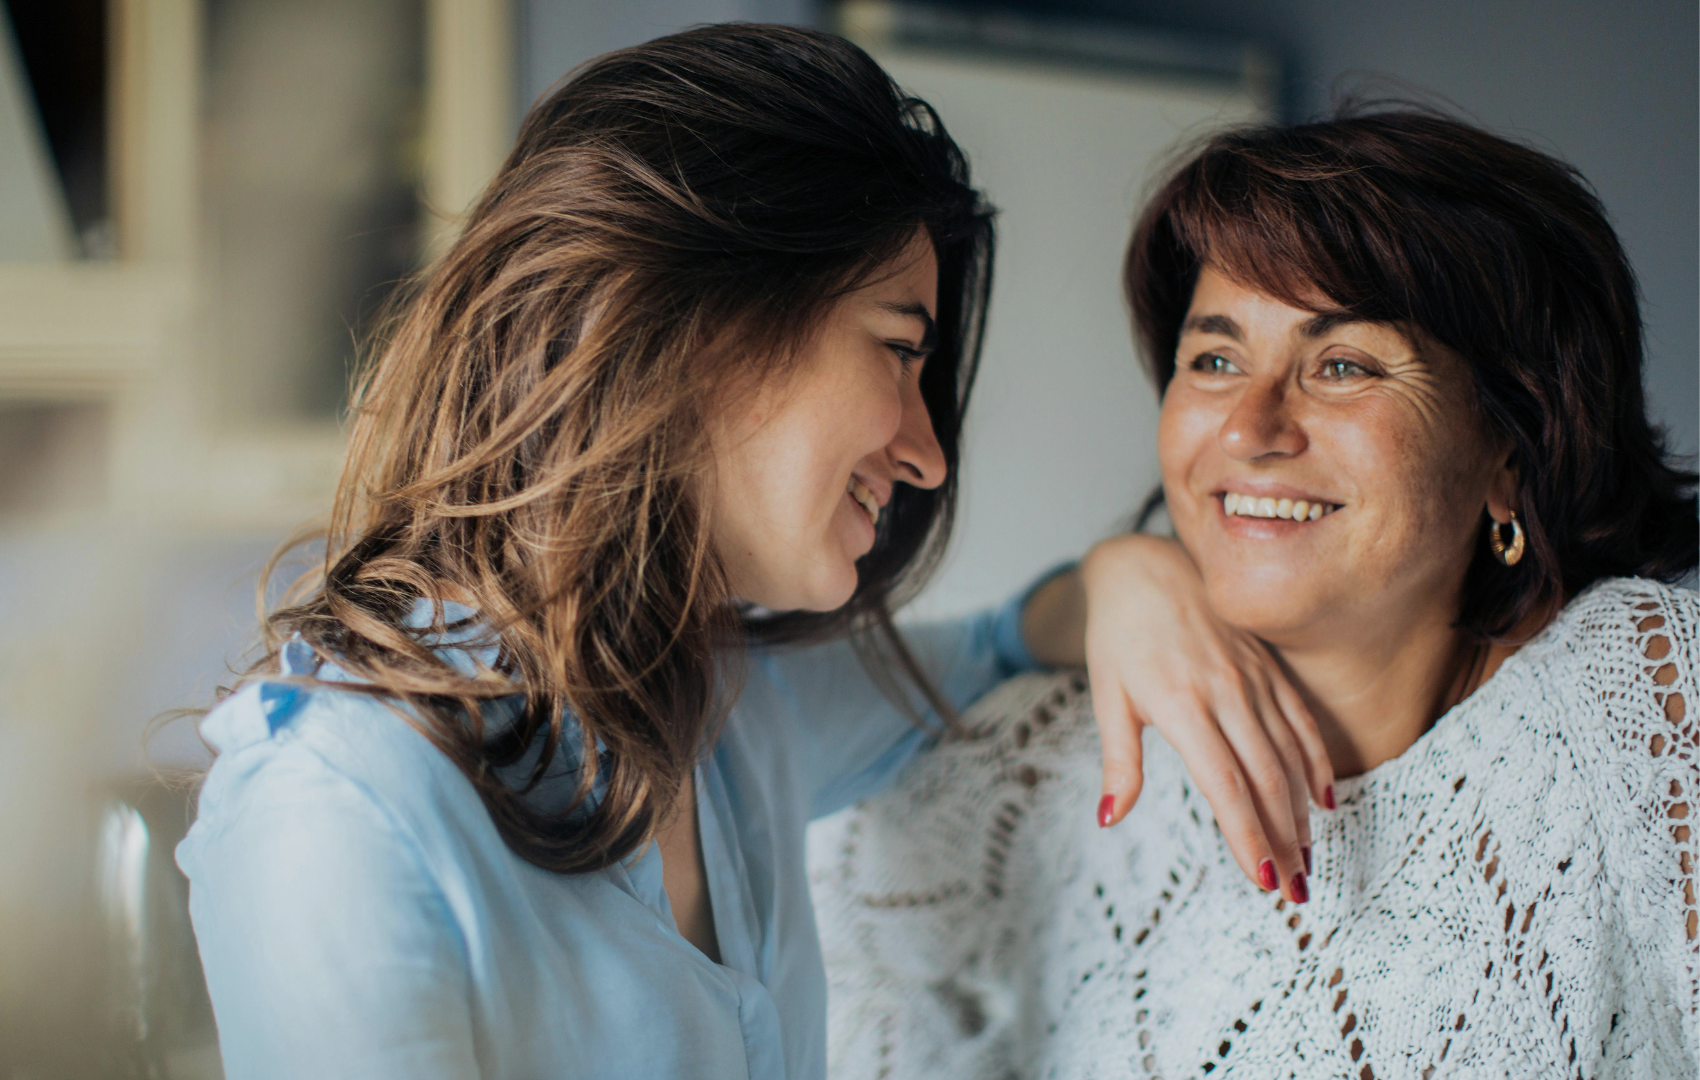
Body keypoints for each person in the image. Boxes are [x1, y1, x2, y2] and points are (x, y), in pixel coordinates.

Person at [176, 25, 1332, 1080]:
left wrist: (1132, 576)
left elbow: (988, 650)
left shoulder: (727, 709)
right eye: (895, 349)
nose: (926, 454)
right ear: (698, 330)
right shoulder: (339, 808)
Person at [811, 107, 1699, 1079]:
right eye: (1215, 358)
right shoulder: (1057, 760)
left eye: (1342, 365)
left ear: (1506, 448)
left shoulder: (1636, 705)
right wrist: (1113, 572)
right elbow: (818, 945)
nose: (1249, 425)